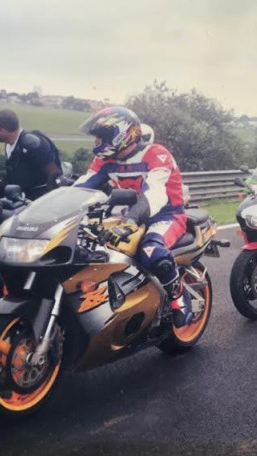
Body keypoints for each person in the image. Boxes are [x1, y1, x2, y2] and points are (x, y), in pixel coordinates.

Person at [73, 107, 192, 326]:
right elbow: (83, 186)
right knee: (87, 246)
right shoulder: (105, 160)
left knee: (152, 252)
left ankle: (179, 298)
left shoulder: (157, 154)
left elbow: (154, 194)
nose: (97, 142)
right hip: (126, 217)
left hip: (165, 215)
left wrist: (132, 219)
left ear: (122, 134)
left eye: (102, 136)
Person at [0, 109, 63, 201]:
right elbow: (11, 181)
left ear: (3, 131)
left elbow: (54, 173)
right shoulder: (10, 146)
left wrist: (48, 203)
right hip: (27, 199)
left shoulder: (32, 144)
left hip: (44, 201)